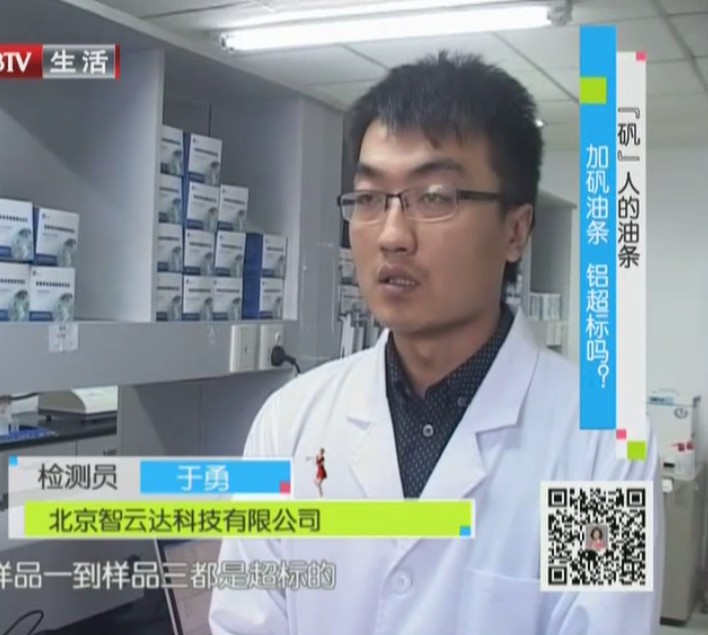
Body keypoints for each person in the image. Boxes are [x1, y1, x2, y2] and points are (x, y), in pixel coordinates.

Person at [210, 51, 663, 634]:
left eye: (435, 197)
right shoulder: (290, 423)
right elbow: (243, 622)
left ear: (515, 230)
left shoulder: (601, 443)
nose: (392, 235)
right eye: (369, 198)